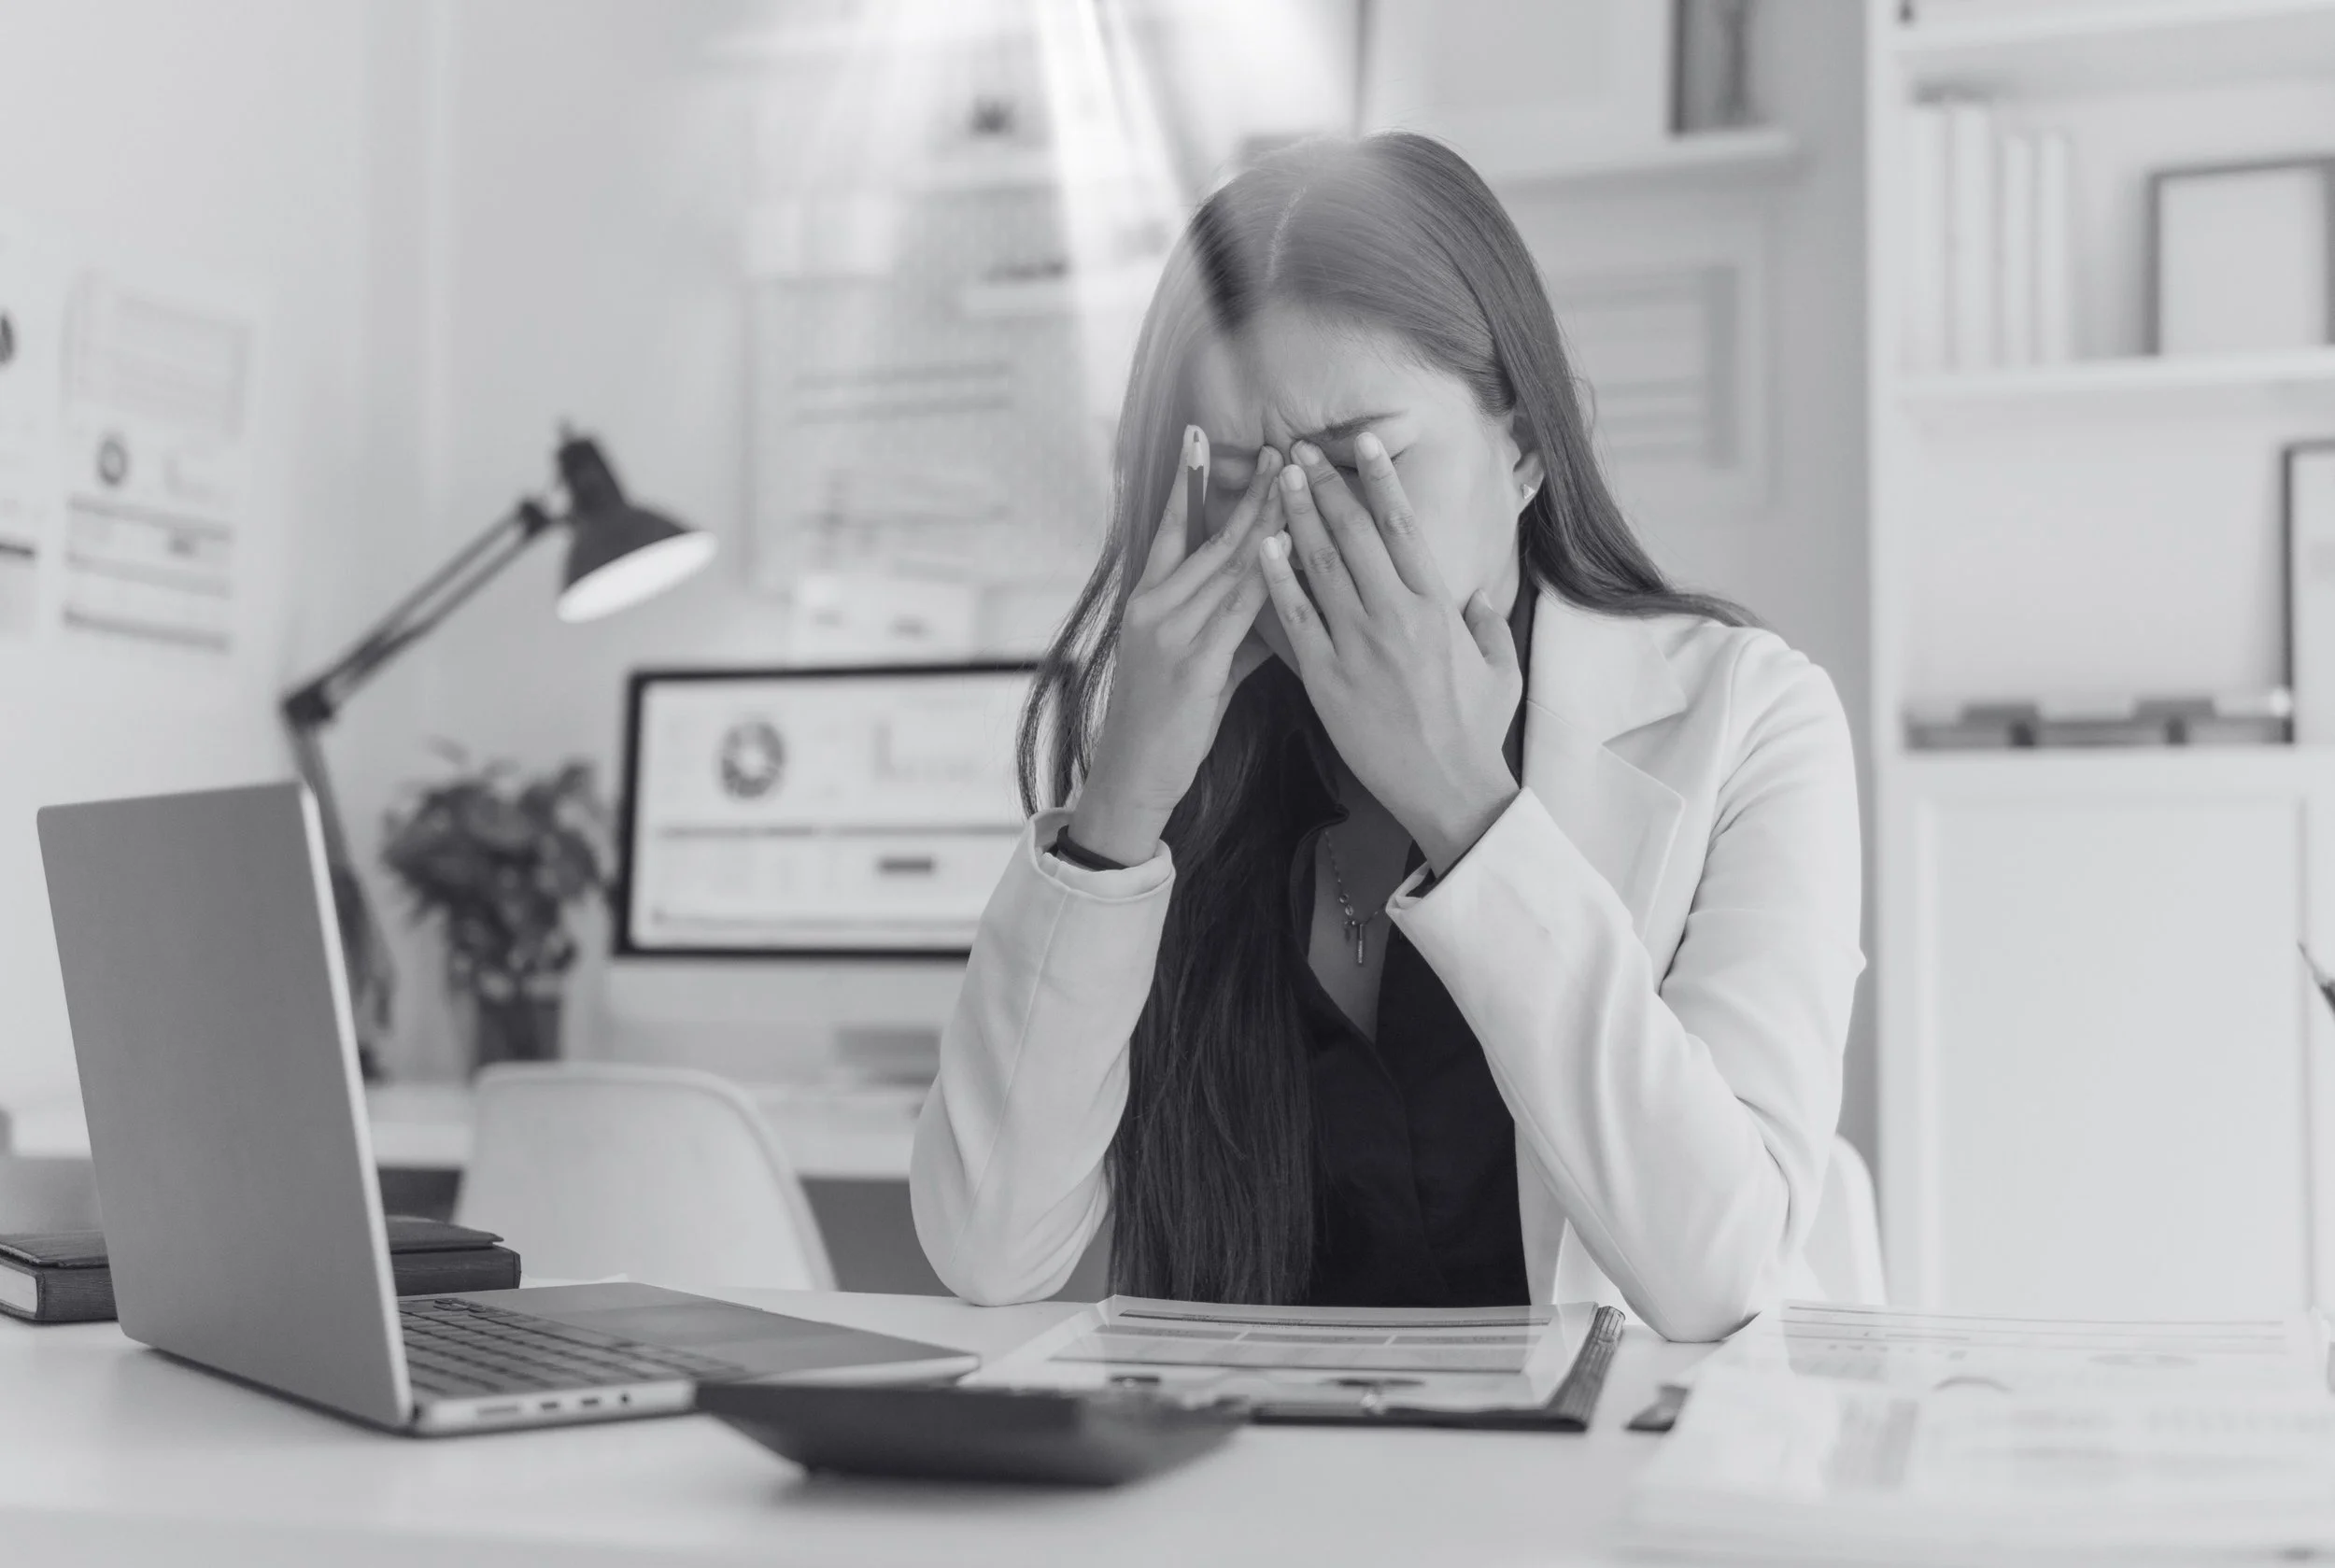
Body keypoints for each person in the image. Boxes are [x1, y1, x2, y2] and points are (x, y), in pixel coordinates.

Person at [909, 133, 1861, 1340]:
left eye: (1367, 460)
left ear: (1520, 444)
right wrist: (1121, 806)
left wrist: (1467, 808)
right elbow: (990, 1250)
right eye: (1247, 473)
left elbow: (1721, 1271)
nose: (1302, 525)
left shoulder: (1749, 716)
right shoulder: (1191, 754)